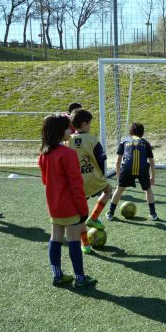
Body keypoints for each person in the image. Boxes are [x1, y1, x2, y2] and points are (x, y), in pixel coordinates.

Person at [38, 114, 97, 287]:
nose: (70, 131)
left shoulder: (43, 153)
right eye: (67, 128)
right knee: (73, 239)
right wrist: (83, 208)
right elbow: (76, 184)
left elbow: (45, 181)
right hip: (70, 205)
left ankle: (57, 275)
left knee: (55, 238)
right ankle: (80, 278)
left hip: (54, 205)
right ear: (59, 131)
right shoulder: (68, 153)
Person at [67, 109, 112, 254]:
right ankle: (93, 218)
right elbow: (101, 158)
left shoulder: (68, 140)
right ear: (85, 123)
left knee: (81, 213)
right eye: (90, 123)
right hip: (93, 177)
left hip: (76, 180)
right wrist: (102, 175)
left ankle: (85, 245)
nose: (90, 126)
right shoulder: (93, 139)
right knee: (108, 191)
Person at [106, 122, 158, 221]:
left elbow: (118, 160)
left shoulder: (124, 141)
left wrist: (118, 175)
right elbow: (151, 161)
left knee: (119, 189)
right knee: (148, 190)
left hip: (127, 168)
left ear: (130, 132)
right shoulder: (145, 142)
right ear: (142, 133)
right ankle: (153, 214)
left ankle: (110, 213)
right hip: (142, 169)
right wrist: (152, 176)